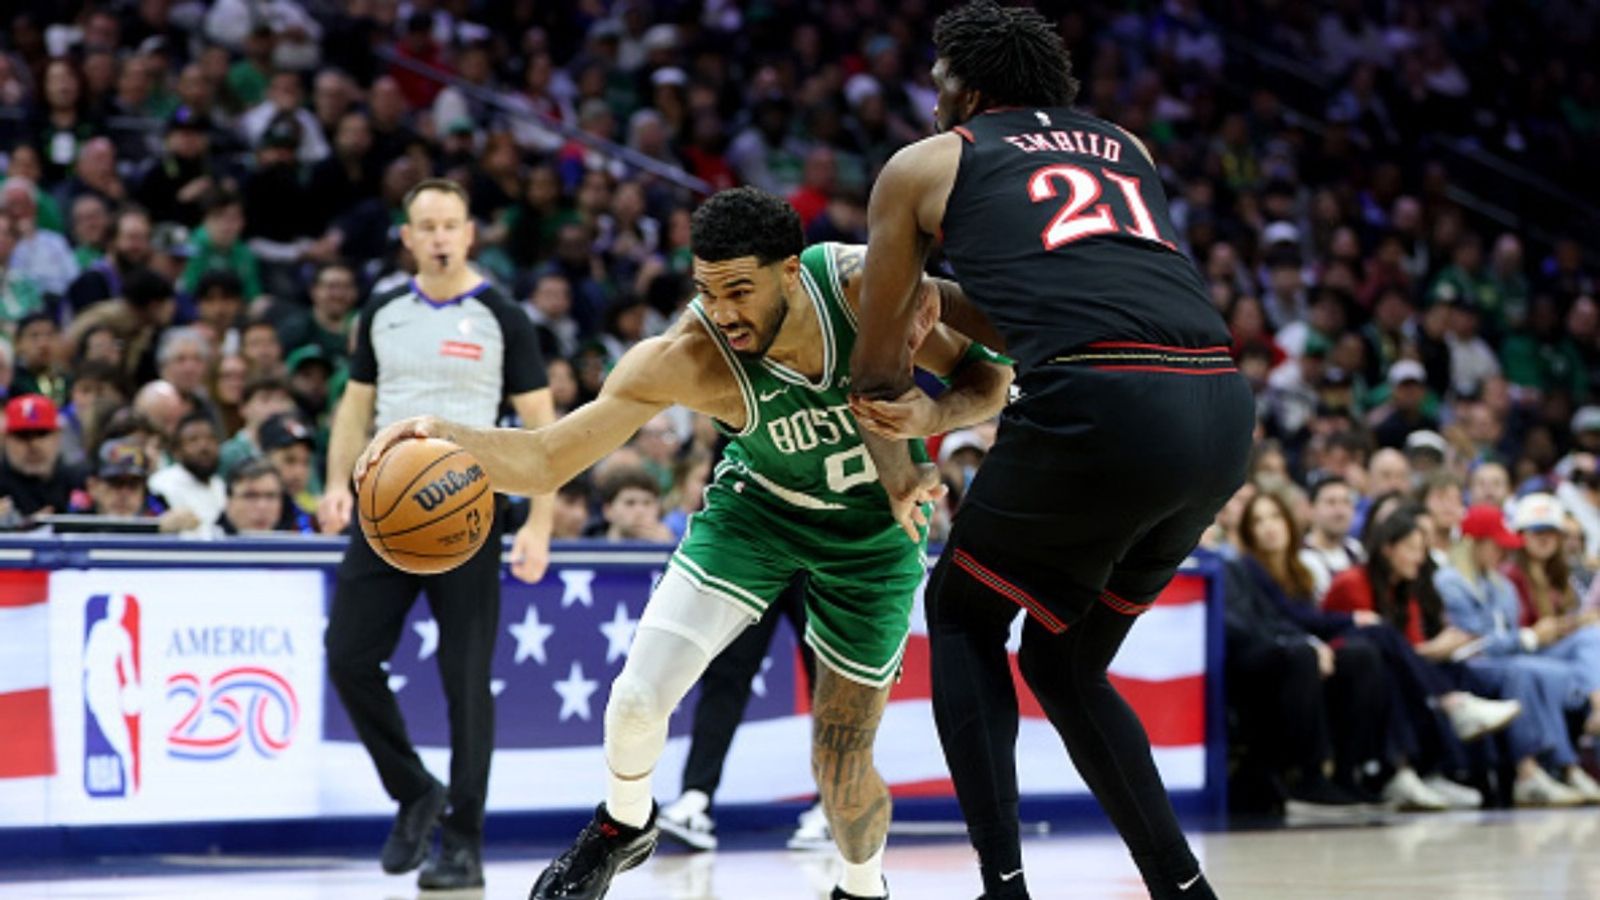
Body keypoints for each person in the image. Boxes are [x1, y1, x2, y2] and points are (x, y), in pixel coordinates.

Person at [354, 187, 1012, 900]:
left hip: (871, 540)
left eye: (739, 290)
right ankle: (622, 825)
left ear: (791, 271)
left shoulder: (861, 288)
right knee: (635, 700)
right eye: (707, 289)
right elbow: (547, 458)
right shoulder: (685, 356)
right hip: (758, 512)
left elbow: (990, 379)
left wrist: (935, 409)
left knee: (842, 766)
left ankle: (860, 886)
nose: (723, 311)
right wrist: (442, 435)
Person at [845, 5, 1253, 898]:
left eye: (940, 78)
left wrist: (920, 417)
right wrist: (948, 299)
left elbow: (878, 376)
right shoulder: (1126, 147)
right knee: (1064, 661)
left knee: (961, 613)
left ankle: (1003, 886)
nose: (933, 95)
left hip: (1104, 405)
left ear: (971, 86)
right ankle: (1184, 889)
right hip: (1220, 404)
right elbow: (1077, 300)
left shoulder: (924, 165)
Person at [319, 178, 556, 891]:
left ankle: (464, 841)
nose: (441, 236)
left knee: (464, 681)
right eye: (428, 225)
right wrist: (337, 484)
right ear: (409, 237)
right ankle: (415, 791)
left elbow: (543, 425)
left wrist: (539, 522)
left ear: (470, 232)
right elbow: (353, 409)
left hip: (469, 512)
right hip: (386, 509)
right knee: (347, 657)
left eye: (452, 224)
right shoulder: (384, 308)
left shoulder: (503, 315)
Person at [0, 394, 86, 519]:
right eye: (22, 435)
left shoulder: (80, 481)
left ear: (58, 436)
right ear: (5, 439)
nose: (33, 444)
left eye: (42, 433)